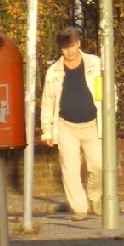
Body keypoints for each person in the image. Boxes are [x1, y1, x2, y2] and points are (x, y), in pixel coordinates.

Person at [40, 27, 103, 221]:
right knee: (70, 169)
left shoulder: (95, 63)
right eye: (65, 47)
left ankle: (96, 198)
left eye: (72, 45)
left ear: (78, 43)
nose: (69, 51)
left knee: (98, 165)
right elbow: (48, 101)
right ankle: (79, 208)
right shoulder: (54, 72)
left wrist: (109, 114)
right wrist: (47, 130)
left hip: (92, 123)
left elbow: (107, 90)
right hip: (66, 125)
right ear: (60, 48)